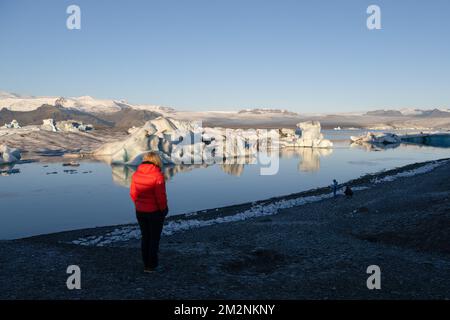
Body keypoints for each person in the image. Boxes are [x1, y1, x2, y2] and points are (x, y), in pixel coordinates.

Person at [130, 151, 168, 273]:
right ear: (157, 161)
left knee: (145, 237)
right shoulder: (157, 176)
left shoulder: (136, 174)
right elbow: (160, 196)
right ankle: (152, 266)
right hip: (154, 212)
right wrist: (164, 209)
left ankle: (146, 263)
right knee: (154, 238)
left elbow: (133, 193)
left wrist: (138, 204)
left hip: (140, 211)